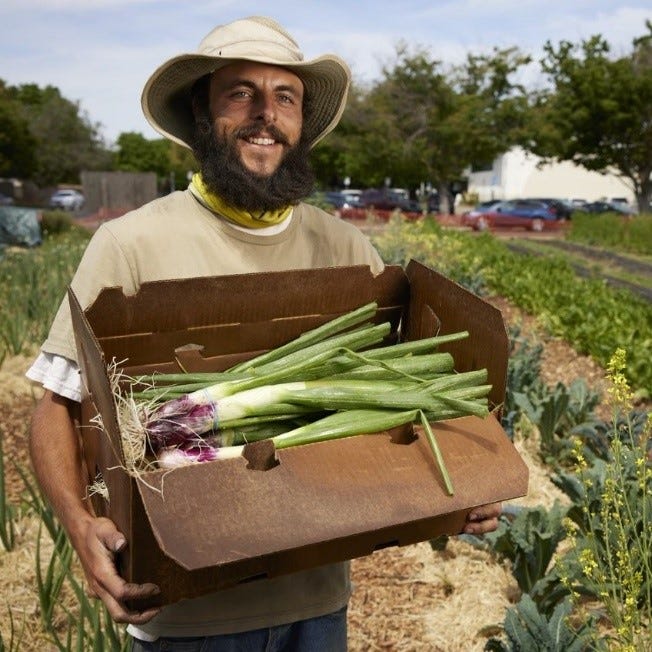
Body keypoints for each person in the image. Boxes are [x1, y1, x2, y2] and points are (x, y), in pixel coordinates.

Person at [27, 15, 501, 651]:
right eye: (241, 92)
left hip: (319, 602)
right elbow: (54, 406)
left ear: (301, 122)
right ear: (203, 111)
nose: (265, 114)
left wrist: (465, 483)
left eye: (285, 97)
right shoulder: (130, 245)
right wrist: (80, 525)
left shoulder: (345, 248)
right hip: (188, 617)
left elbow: (397, 420)